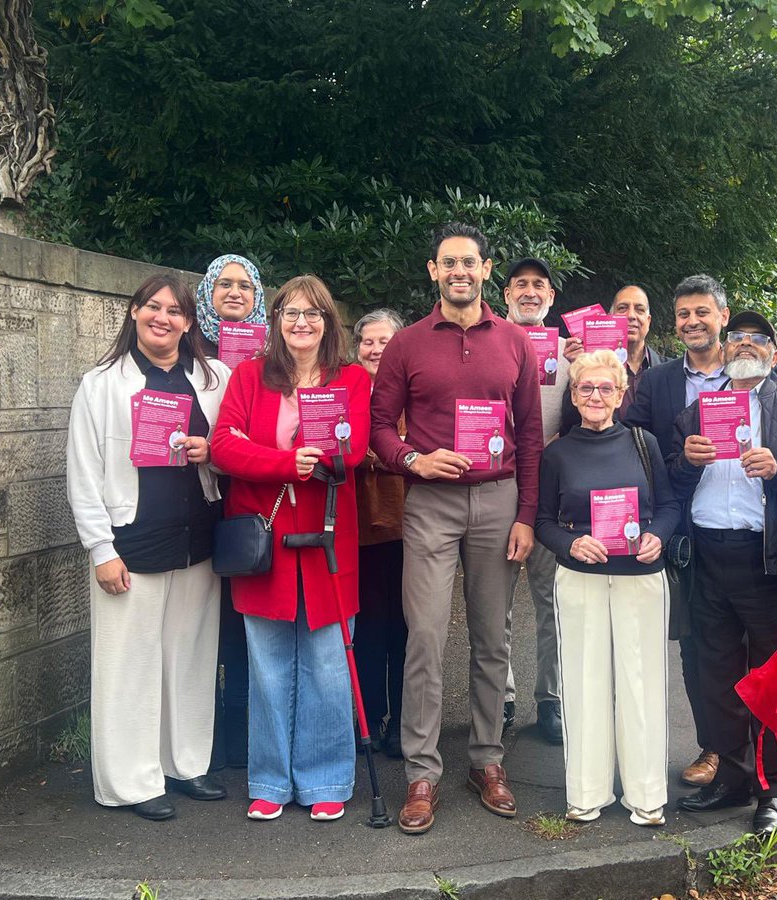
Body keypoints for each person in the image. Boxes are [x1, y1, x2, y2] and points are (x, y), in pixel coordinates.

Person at [370, 223, 544, 834]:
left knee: (492, 638)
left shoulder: (515, 342)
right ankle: (422, 772)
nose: (460, 272)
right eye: (449, 263)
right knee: (424, 637)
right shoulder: (408, 344)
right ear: (433, 270)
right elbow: (379, 425)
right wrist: (413, 459)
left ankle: (487, 760)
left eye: (470, 262)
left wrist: (526, 514)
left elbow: (529, 435)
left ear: (486, 269)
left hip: (498, 502)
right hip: (431, 503)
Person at [66, 274, 231, 821]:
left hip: (198, 541)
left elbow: (236, 447)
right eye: (152, 307)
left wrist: (210, 451)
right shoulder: (102, 383)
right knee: (129, 664)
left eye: (175, 310)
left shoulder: (215, 377)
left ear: (189, 322)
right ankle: (132, 781)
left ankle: (184, 764)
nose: (164, 317)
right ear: (134, 312)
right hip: (131, 542)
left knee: (189, 659)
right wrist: (99, 549)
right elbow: (82, 473)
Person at [211, 275, 371, 823]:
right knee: (270, 665)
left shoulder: (351, 379)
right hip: (266, 539)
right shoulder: (249, 375)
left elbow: (357, 446)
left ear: (328, 323)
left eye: (313, 314)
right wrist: (287, 461)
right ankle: (271, 780)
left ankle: (326, 777)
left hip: (328, 538)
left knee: (328, 665)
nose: (301, 323)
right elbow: (223, 445)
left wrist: (327, 457)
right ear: (276, 321)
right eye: (290, 313)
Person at [667, 311, 777, 835]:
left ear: (774, 356)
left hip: (769, 562)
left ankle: (774, 790)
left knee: (773, 680)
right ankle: (732, 777)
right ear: (725, 350)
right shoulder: (697, 411)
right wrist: (686, 463)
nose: (745, 345)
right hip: (708, 558)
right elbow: (669, 485)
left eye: (759, 340)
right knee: (717, 676)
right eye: (737, 338)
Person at [536, 350, 681, 826]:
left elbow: (668, 505)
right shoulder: (556, 453)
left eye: (605, 388)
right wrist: (570, 542)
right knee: (583, 682)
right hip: (581, 580)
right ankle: (586, 791)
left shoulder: (644, 443)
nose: (595, 396)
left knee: (642, 684)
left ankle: (646, 794)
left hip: (640, 578)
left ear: (621, 394)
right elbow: (542, 521)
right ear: (573, 395)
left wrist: (659, 535)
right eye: (585, 388)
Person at [623, 274, 732, 790]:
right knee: (696, 647)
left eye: (702, 312)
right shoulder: (660, 381)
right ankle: (713, 747)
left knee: (755, 646)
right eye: (684, 314)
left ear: (722, 318)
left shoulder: (749, 374)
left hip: (748, 533)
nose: (692, 322)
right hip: (687, 535)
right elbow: (633, 443)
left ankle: (761, 756)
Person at [195, 253, 267, 770]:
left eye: (245, 285)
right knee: (205, 626)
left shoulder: (275, 352)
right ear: (207, 293)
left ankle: (243, 729)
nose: (235, 292)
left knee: (246, 621)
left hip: (255, 503)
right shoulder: (187, 349)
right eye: (224, 284)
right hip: (200, 504)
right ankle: (205, 733)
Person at [501, 256, 567, 744]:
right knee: (494, 602)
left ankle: (551, 700)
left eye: (538, 285)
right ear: (505, 294)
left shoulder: (572, 354)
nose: (529, 291)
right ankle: (499, 697)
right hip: (499, 488)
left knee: (552, 603)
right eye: (520, 284)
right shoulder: (484, 342)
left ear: (550, 297)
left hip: (552, 497)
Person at [352, 308, 409, 759]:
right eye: (367, 342)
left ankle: (404, 724)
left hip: (410, 524)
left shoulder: (413, 390)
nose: (375, 350)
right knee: (369, 628)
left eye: (384, 341)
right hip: (360, 527)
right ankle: (369, 719)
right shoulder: (348, 391)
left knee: (408, 630)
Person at [561, 284, 664, 429]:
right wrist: (578, 370)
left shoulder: (667, 372)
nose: (631, 316)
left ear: (648, 320)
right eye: (622, 308)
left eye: (639, 309)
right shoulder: (590, 367)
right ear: (610, 318)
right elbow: (569, 424)